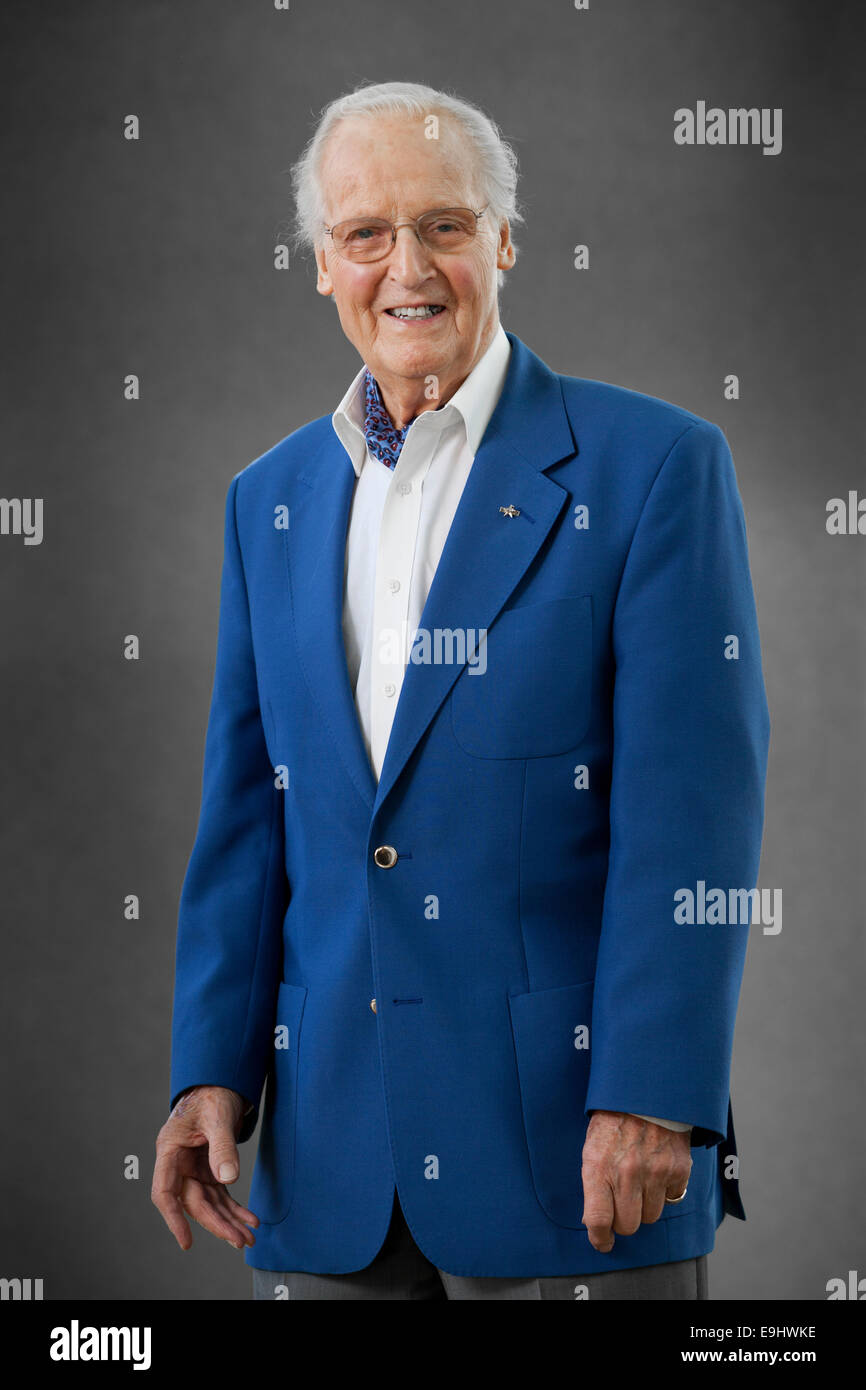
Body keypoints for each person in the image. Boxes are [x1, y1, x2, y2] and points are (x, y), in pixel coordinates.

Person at [152, 80, 770, 1301]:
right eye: (364, 233)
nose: (406, 267)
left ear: (503, 241)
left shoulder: (654, 469)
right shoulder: (265, 500)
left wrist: (650, 1090)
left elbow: (690, 818)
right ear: (321, 264)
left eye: (443, 224)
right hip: (331, 1165)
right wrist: (206, 1073)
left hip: (576, 1166)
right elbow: (247, 821)